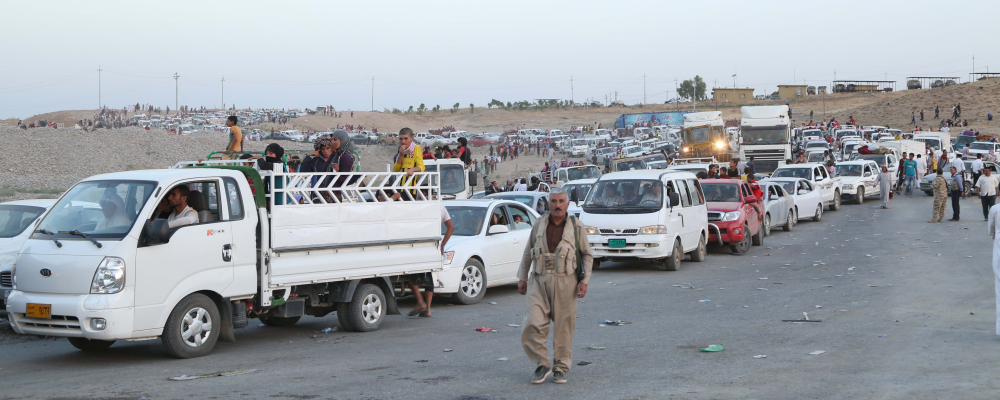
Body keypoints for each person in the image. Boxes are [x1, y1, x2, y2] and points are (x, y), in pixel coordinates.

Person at [517, 188, 593, 384]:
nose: (557, 205)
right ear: (548, 204)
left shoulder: (576, 227)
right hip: (539, 280)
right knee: (532, 323)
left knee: (563, 328)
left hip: (566, 282)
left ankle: (560, 367)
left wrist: (584, 281)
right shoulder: (539, 223)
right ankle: (542, 364)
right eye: (553, 201)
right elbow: (528, 251)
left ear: (567, 204)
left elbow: (587, 254)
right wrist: (522, 277)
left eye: (561, 201)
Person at [408, 205, 454, 318]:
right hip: (434, 246)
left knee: (410, 274)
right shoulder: (441, 208)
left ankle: (420, 302)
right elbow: (451, 227)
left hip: (420, 245)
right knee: (430, 277)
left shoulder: (420, 206)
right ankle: (427, 309)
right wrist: (442, 245)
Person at [392, 128, 426, 200]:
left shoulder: (416, 148)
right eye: (401, 139)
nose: (403, 141)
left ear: (412, 139)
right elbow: (395, 170)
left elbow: (422, 167)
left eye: (406, 138)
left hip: (411, 190)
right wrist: (401, 155)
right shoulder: (401, 150)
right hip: (400, 189)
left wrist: (412, 169)